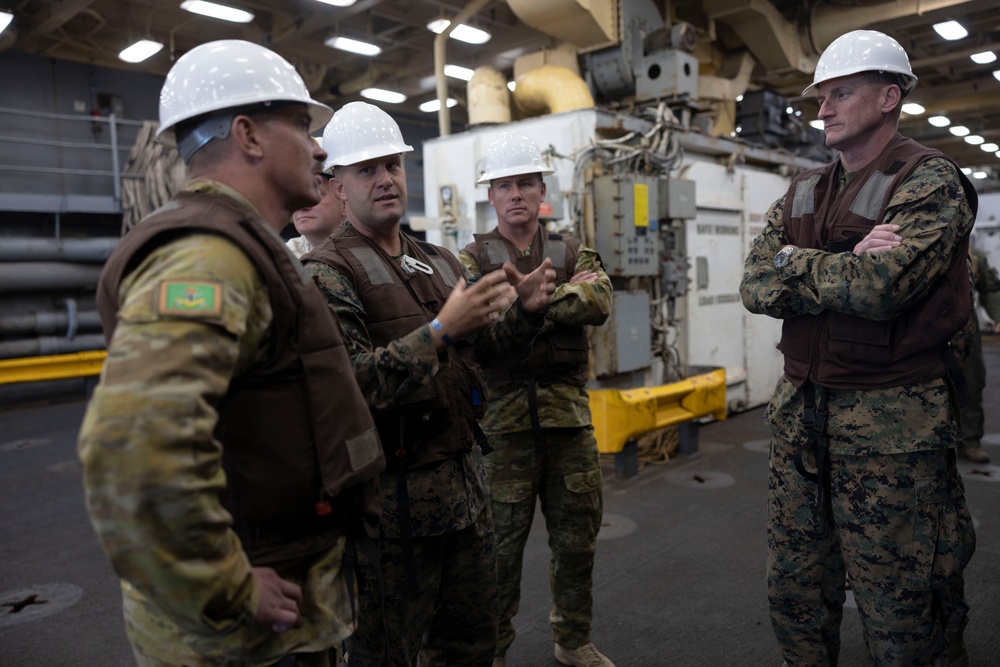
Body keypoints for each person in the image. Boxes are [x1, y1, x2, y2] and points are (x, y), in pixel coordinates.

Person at [77, 41, 385, 667]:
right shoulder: (207, 258)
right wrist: (226, 586)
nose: (320, 149)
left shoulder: (246, 247)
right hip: (243, 641)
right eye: (302, 126)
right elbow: (131, 453)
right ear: (247, 135)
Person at [739, 29, 978, 666]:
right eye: (820, 96)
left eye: (841, 94)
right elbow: (753, 285)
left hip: (891, 424)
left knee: (899, 605)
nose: (822, 110)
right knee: (795, 591)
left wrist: (795, 262)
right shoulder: (802, 190)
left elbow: (884, 288)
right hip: (800, 419)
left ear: (888, 97)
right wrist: (830, 262)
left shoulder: (930, 181)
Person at [301, 102, 557, 667]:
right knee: (387, 654)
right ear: (338, 185)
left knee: (471, 646)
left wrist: (527, 315)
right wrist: (439, 332)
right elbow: (349, 388)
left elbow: (483, 354)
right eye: (366, 169)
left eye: (392, 165)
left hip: (465, 494)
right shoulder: (326, 273)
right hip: (392, 513)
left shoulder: (440, 262)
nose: (385, 179)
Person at [458, 131, 614, 667]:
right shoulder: (471, 258)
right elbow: (476, 328)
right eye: (505, 185)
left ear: (541, 188)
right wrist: (541, 301)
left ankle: (573, 640)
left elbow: (599, 297)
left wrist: (527, 302)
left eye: (525, 182)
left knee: (576, 541)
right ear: (492, 196)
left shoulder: (571, 248)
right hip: (502, 428)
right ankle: (493, 651)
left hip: (568, 421)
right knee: (497, 550)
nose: (516, 194)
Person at [958, 244, 1000, 463]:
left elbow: (991, 289)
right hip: (925, 323)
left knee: (972, 382)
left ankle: (970, 441)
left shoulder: (974, 254)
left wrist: (998, 316)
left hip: (966, 324)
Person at [287, 143, 347, 258]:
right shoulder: (280, 259)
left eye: (315, 194)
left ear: (344, 202)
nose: (302, 205)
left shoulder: (375, 248)